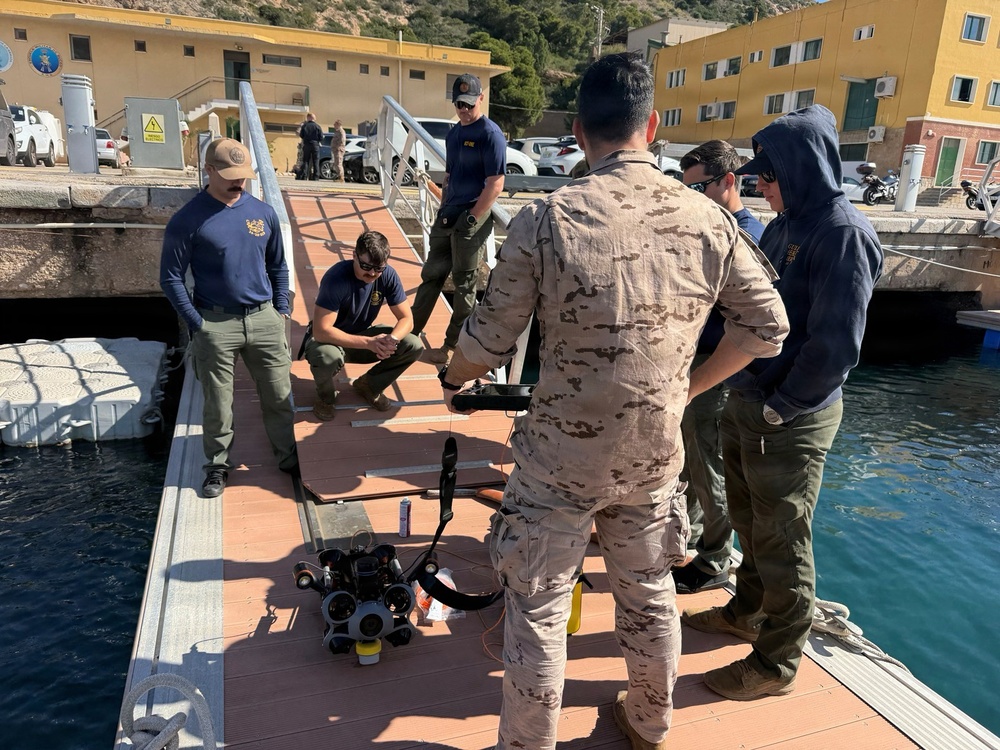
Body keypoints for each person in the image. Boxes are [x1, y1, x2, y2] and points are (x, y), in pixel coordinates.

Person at [438, 53, 789, 750]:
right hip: (653, 457)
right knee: (650, 594)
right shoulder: (708, 218)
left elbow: (485, 344)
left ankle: (527, 743)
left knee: (538, 608)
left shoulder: (545, 219)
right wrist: (685, 388)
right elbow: (768, 329)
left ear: (577, 131)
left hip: (558, 463)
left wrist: (454, 375)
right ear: (652, 127)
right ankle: (649, 725)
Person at [682, 105, 883, 701]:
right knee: (749, 522)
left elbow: (836, 346)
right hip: (749, 398)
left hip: (788, 414)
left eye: (767, 177)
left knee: (784, 536)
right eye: (755, 178)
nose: (758, 186)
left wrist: (781, 406)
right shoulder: (785, 224)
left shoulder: (842, 233)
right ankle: (745, 609)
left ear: (798, 170)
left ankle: (775, 665)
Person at [160, 137, 298, 498]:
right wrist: (197, 323)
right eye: (230, 175)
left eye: (243, 175)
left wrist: (281, 307)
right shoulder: (187, 219)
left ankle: (289, 458)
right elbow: (170, 277)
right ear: (208, 171)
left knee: (279, 396)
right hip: (215, 322)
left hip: (264, 317)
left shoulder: (263, 212)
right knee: (218, 402)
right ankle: (217, 466)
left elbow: (278, 265)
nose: (240, 182)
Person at [673, 140, 766, 595]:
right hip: (695, 359)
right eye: (683, 187)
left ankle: (713, 562)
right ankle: (689, 535)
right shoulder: (708, 227)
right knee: (691, 455)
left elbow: (757, 321)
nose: (689, 197)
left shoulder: (745, 235)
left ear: (729, 181)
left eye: (699, 187)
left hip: (717, 366)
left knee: (710, 464)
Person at [409, 72, 506, 366]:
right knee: (431, 276)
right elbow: (449, 175)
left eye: (468, 103)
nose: (463, 109)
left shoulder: (490, 134)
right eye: (458, 104)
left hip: (471, 219)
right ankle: (409, 334)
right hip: (448, 214)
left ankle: (450, 346)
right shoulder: (454, 134)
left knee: (465, 286)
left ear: (480, 99)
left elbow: (496, 183)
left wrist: (473, 218)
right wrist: (442, 207)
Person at [303, 230, 423, 420]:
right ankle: (326, 398)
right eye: (366, 266)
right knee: (326, 356)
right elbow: (321, 331)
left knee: (413, 345)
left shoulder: (388, 276)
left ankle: (369, 385)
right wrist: (369, 343)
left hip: (364, 336)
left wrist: (391, 341)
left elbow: (407, 319)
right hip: (329, 340)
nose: (372, 273)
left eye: (379, 268)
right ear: (354, 256)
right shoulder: (336, 278)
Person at [299, 112, 323, 181]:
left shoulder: (304, 126)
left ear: (308, 118)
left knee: (306, 160)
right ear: (313, 118)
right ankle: (316, 176)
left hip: (307, 144)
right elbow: (321, 137)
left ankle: (304, 175)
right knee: (316, 160)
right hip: (315, 145)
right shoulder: (317, 126)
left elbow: (301, 135)